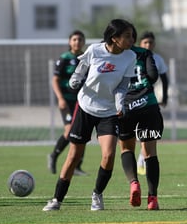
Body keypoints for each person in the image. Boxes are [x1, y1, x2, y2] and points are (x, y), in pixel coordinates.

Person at [43, 19, 137, 211]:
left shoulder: (130, 57)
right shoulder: (94, 50)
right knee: (73, 155)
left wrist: (120, 102)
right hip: (86, 107)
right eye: (127, 36)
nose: (132, 39)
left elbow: (123, 85)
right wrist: (75, 80)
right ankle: (56, 200)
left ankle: (97, 195)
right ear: (115, 38)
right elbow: (81, 69)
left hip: (109, 112)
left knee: (109, 155)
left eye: (132, 35)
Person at [119, 26, 163, 210]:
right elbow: (153, 76)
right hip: (149, 106)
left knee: (126, 149)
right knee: (150, 152)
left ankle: (134, 183)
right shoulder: (145, 53)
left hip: (125, 107)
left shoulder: (116, 56)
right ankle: (152, 198)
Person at [47, 30, 88, 176]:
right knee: (70, 130)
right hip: (68, 101)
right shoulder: (65, 58)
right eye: (74, 39)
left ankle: (77, 166)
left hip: (83, 102)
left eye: (80, 39)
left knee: (82, 132)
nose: (77, 42)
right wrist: (60, 98)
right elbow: (55, 80)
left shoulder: (86, 58)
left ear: (84, 42)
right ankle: (54, 155)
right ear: (70, 42)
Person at [136, 31, 168, 176]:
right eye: (145, 43)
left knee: (148, 134)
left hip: (149, 101)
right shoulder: (133, 57)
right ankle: (140, 159)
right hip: (133, 101)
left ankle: (142, 159)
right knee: (137, 135)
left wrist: (165, 97)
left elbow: (164, 79)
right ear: (140, 44)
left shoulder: (157, 59)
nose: (148, 45)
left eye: (150, 43)